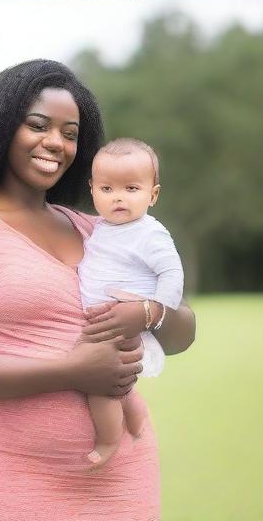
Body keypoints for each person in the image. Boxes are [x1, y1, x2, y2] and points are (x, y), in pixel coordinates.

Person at [0, 60, 196, 521]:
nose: (55, 143)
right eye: (38, 125)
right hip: (20, 479)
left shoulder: (98, 229)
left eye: (70, 133)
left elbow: (182, 331)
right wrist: (72, 370)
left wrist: (149, 313)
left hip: (123, 477)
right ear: (1, 127)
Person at [78, 137, 184, 467]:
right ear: (92, 190)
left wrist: (153, 311)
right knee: (116, 380)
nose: (119, 197)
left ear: (152, 195)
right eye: (107, 189)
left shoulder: (148, 233)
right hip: (104, 319)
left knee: (96, 382)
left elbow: (172, 272)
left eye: (131, 189)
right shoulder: (101, 227)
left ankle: (109, 440)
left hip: (123, 321)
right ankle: (135, 418)